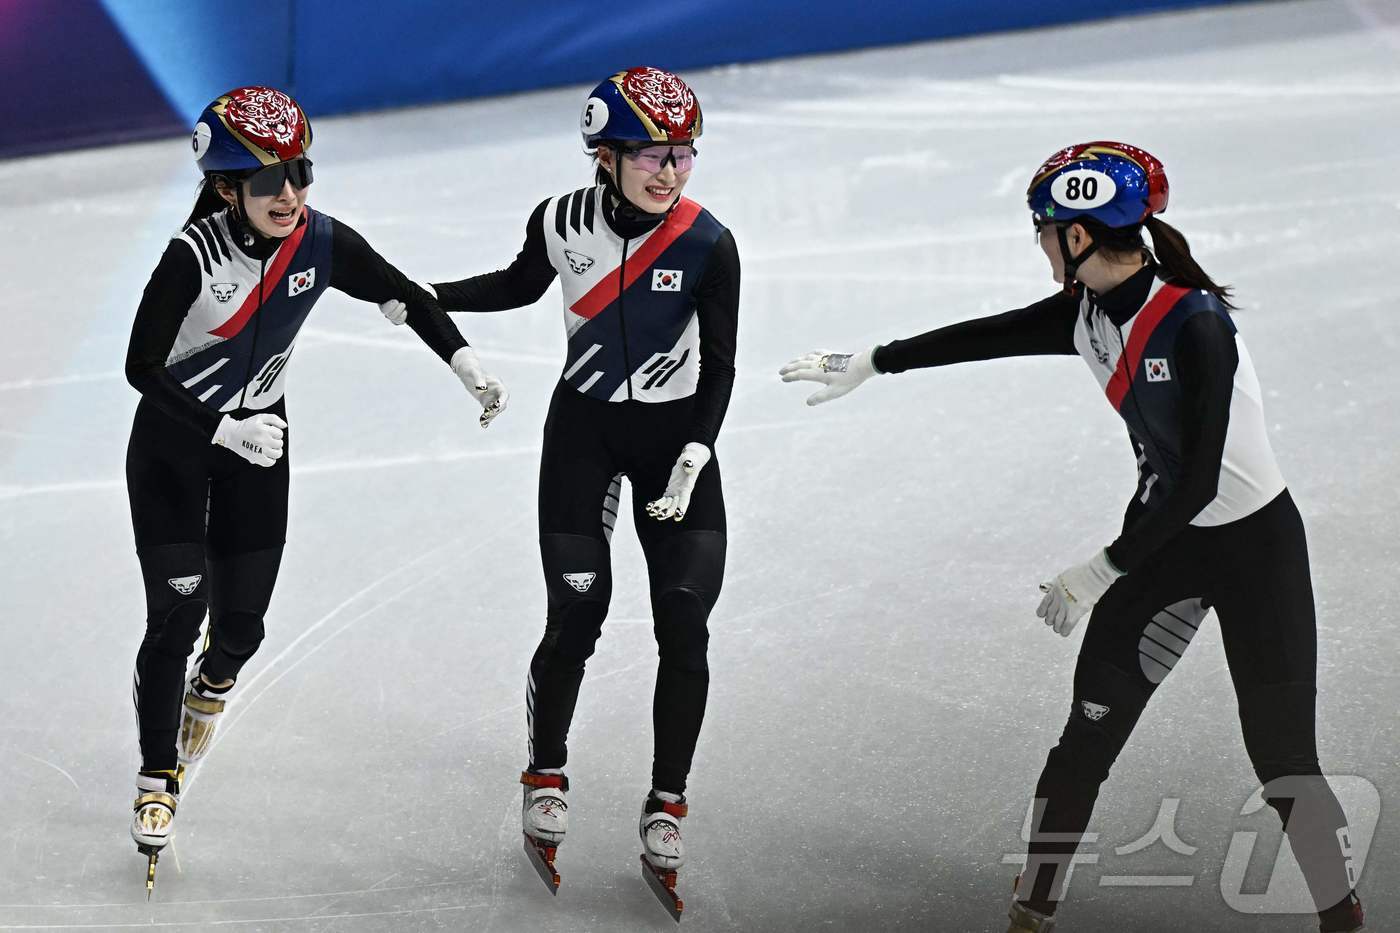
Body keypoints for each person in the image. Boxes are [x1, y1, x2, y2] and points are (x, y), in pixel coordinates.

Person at [779, 141, 1365, 933]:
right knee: (1084, 737)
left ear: (1080, 235)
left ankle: (1342, 915)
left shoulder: (1196, 325)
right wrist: (878, 361)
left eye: (1044, 229)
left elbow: (1198, 481)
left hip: (1253, 549)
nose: (1038, 243)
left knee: (1285, 761)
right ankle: (1033, 909)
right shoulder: (1088, 309)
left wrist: (1101, 569)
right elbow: (989, 334)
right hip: (1164, 544)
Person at [125, 85, 506, 893]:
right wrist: (221, 426)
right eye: (268, 182)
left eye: (300, 171)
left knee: (240, 631)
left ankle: (212, 684)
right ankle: (158, 776)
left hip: (260, 454)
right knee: (177, 613)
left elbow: (402, 290)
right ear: (228, 189)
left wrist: (463, 361)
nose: (289, 193)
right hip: (175, 452)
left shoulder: (321, 243)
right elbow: (140, 368)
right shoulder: (191, 257)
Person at [379, 66, 738, 900]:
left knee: (684, 620)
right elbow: (518, 283)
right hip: (583, 433)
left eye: (683, 153)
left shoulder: (708, 241)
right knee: (578, 610)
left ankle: (667, 801)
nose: (670, 170)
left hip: (675, 444)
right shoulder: (561, 219)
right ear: (603, 157)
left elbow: (720, 364)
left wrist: (694, 453)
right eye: (651, 153)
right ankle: (546, 774)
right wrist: (433, 293)